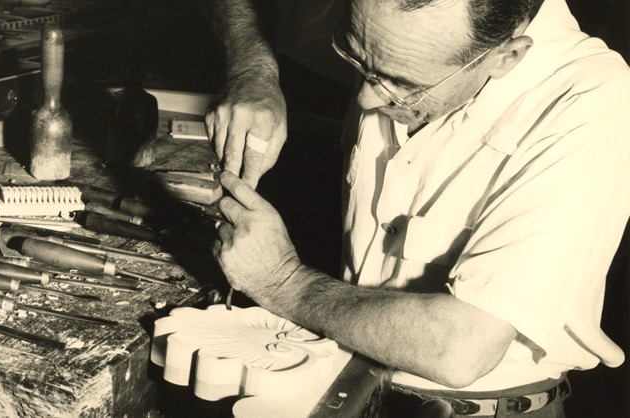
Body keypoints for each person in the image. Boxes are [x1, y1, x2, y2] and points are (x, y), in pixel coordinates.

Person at [206, 0, 630, 416]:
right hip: (348, 383)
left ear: (506, 56)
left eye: (401, 83)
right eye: (356, 59)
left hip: (478, 407)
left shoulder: (594, 100)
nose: (367, 98)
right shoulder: (387, 26)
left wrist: (281, 280)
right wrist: (253, 73)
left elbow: (461, 349)